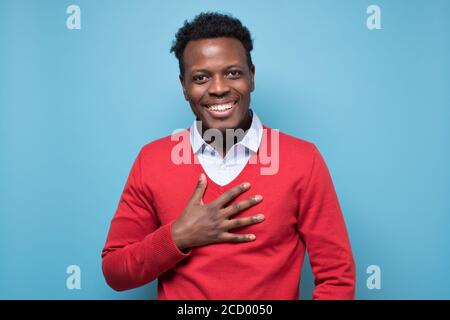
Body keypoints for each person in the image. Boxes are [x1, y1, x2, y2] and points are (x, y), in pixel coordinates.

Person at [102, 12, 356, 300]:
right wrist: (178, 236)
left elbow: (337, 276)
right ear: (184, 87)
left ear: (252, 76)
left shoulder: (302, 159)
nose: (219, 88)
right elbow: (115, 272)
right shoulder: (152, 160)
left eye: (233, 73)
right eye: (201, 77)